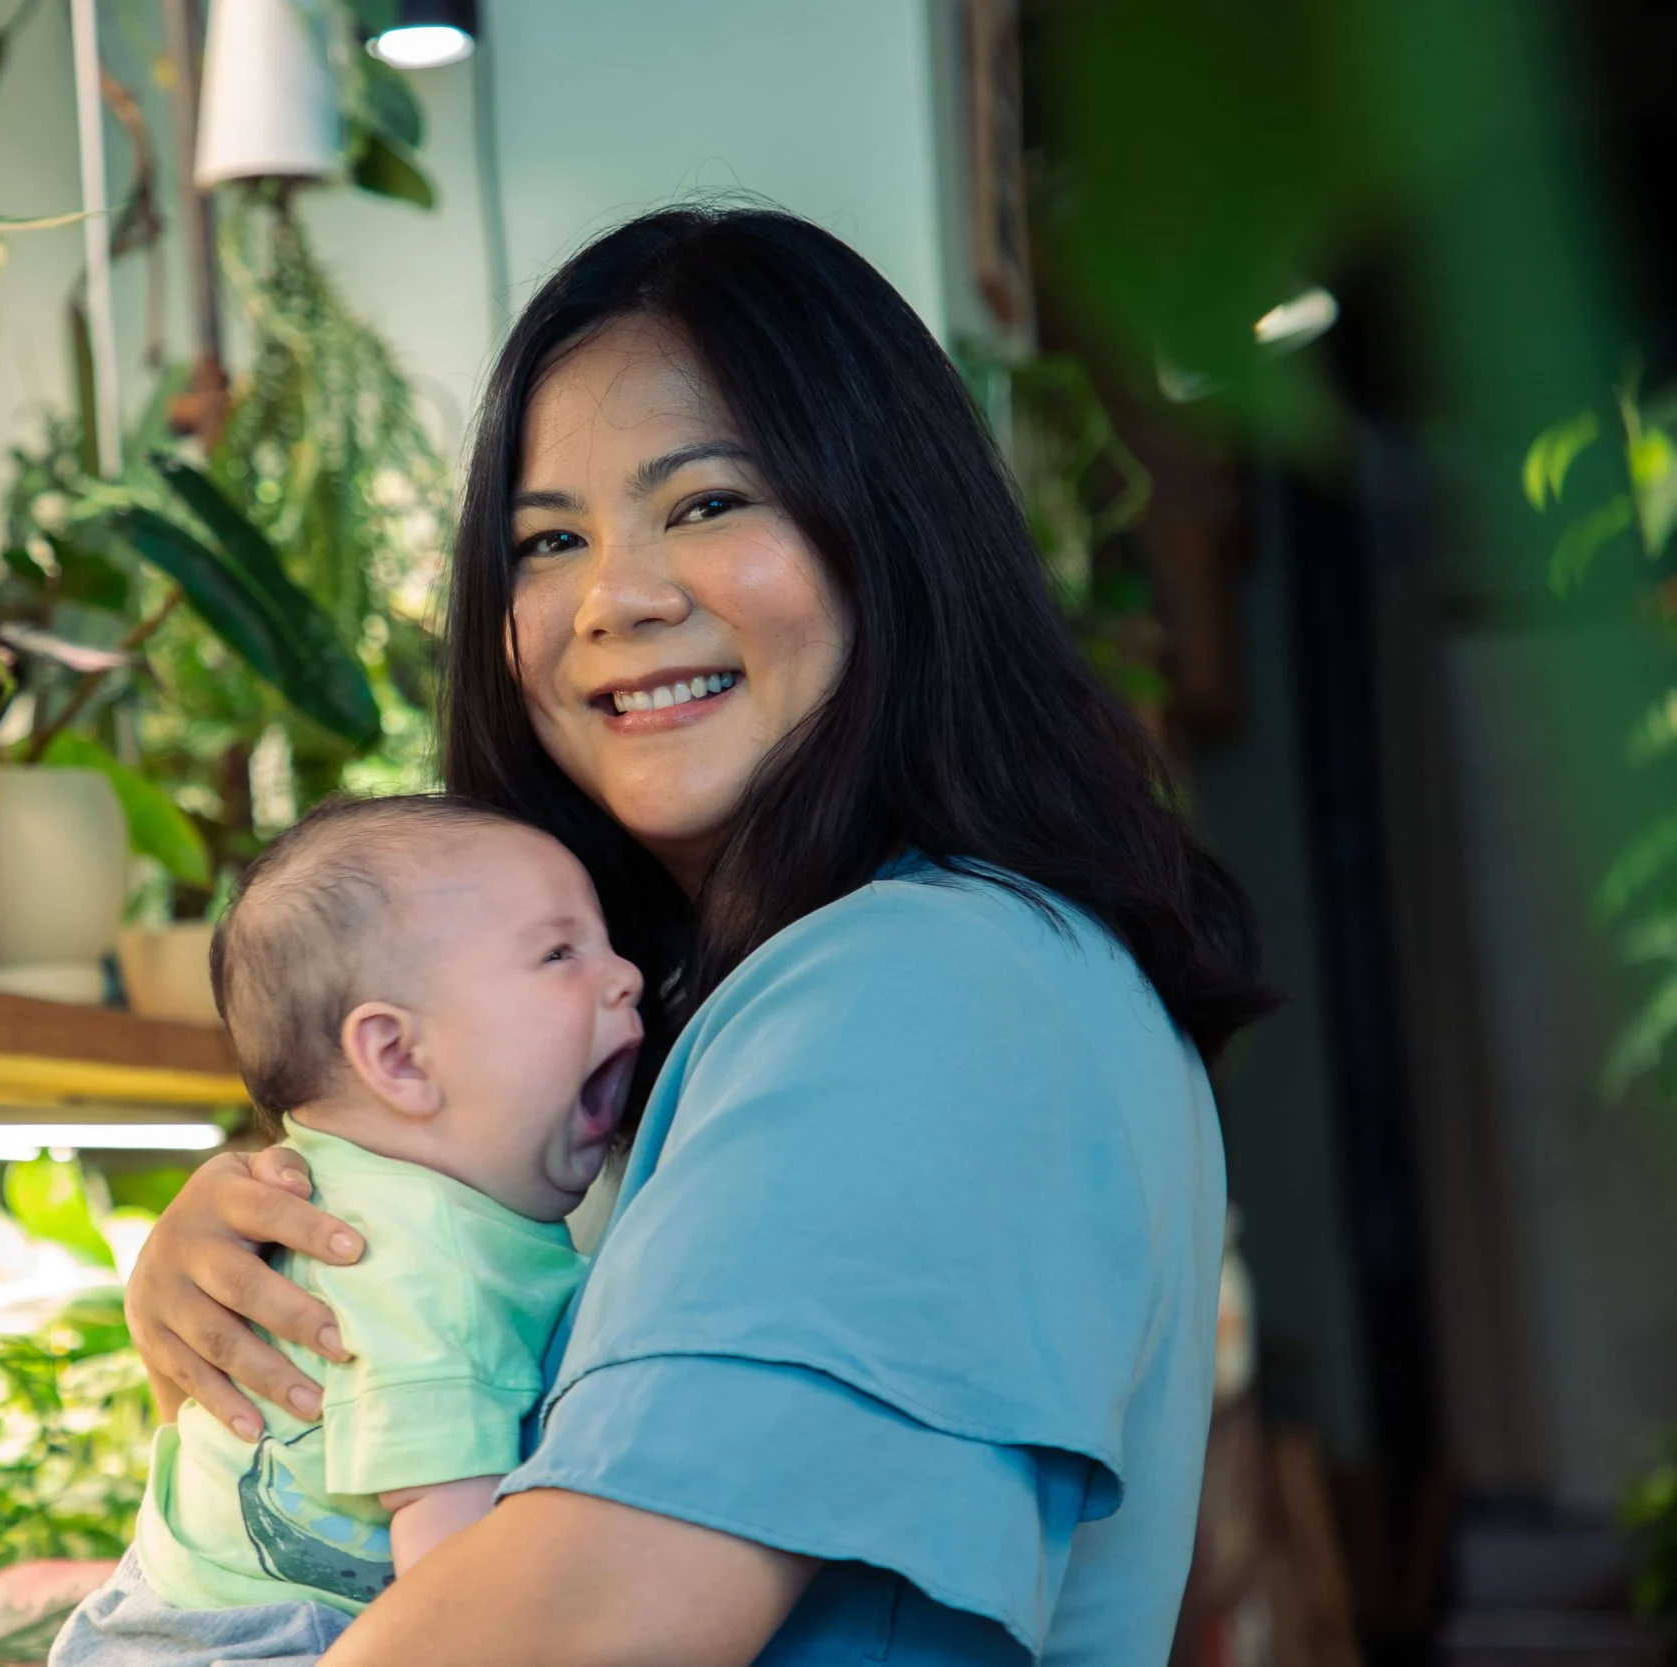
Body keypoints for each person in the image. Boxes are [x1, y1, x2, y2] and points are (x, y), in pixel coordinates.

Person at [125, 205, 1273, 1667]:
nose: (618, 596)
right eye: (549, 538)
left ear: (889, 532)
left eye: (711, 502)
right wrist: (283, 1243)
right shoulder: (758, 1003)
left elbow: (576, 1623)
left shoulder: (922, 984)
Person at [53, 795, 645, 1665]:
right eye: (559, 953)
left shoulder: (374, 1195)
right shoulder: (412, 1256)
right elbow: (462, 1571)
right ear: (399, 1057)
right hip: (251, 1643)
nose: (624, 972)